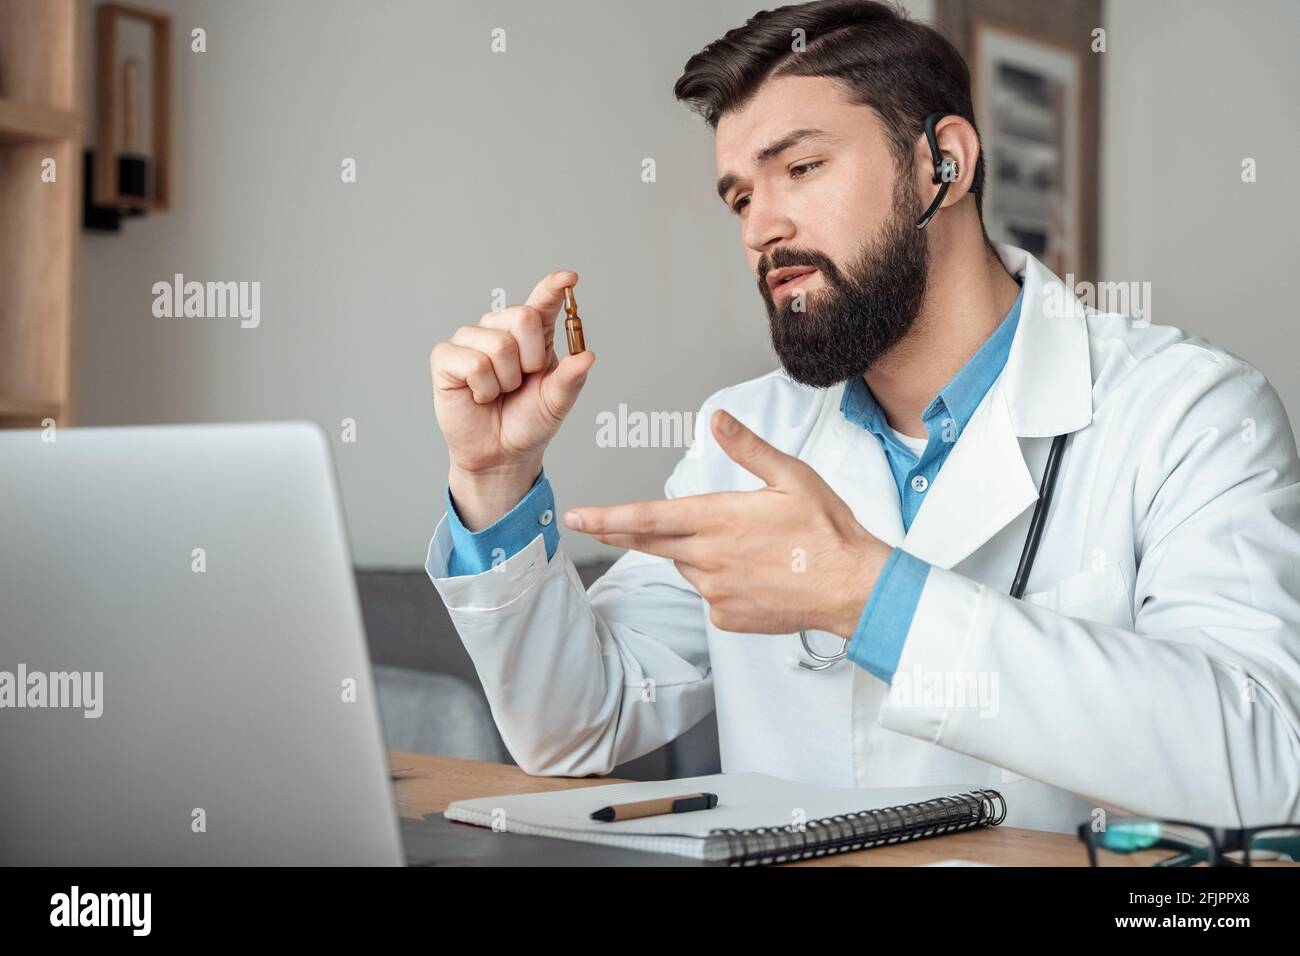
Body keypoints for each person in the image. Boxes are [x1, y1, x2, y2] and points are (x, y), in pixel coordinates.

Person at [425, 0, 1300, 830]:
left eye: (800, 168)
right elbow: (580, 724)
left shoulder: (1190, 410)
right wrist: (496, 482)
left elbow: (1266, 763)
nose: (759, 228)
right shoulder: (744, 435)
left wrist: (866, 596)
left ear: (942, 164)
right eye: (738, 196)